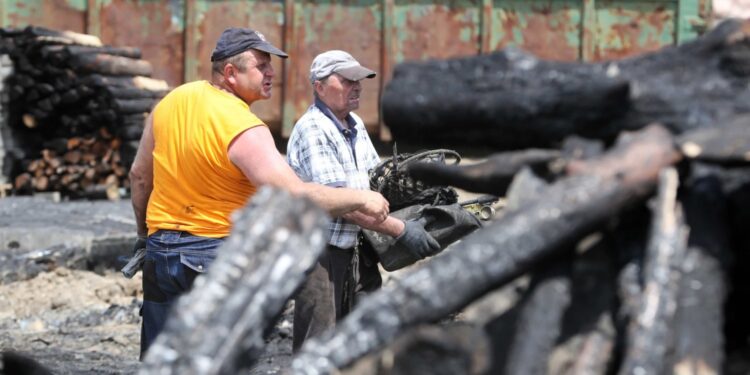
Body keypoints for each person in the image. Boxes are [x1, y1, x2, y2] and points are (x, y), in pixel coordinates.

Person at [128, 30, 391, 357]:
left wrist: (144, 235)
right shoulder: (242, 127)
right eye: (261, 66)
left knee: (159, 360)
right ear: (230, 73)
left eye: (270, 65)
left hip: (160, 254)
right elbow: (297, 196)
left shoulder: (171, 102)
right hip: (213, 257)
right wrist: (361, 198)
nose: (271, 73)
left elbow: (139, 176)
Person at [286, 50, 440, 350]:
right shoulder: (314, 129)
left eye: (359, 80)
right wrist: (401, 229)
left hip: (355, 247)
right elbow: (339, 202)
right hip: (320, 254)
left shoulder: (353, 123)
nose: (357, 86)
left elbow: (373, 184)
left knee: (362, 338)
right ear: (319, 86)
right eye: (346, 80)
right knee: (318, 345)